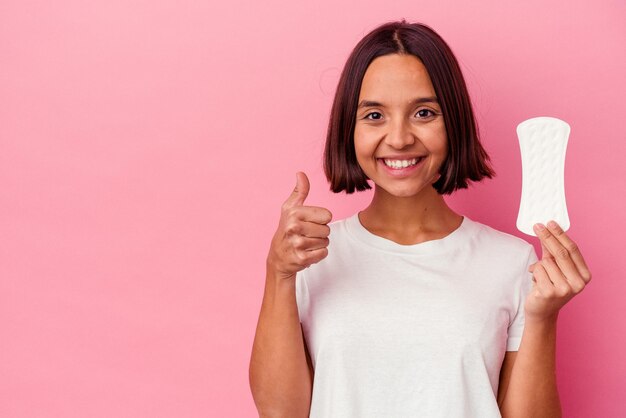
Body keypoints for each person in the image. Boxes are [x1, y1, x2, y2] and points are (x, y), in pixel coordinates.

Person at [249, 20, 591, 418]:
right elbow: (280, 413)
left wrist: (543, 317)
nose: (399, 138)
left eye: (424, 113)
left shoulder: (512, 262)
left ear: (454, 123)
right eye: (374, 115)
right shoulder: (309, 258)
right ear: (349, 129)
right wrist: (279, 273)